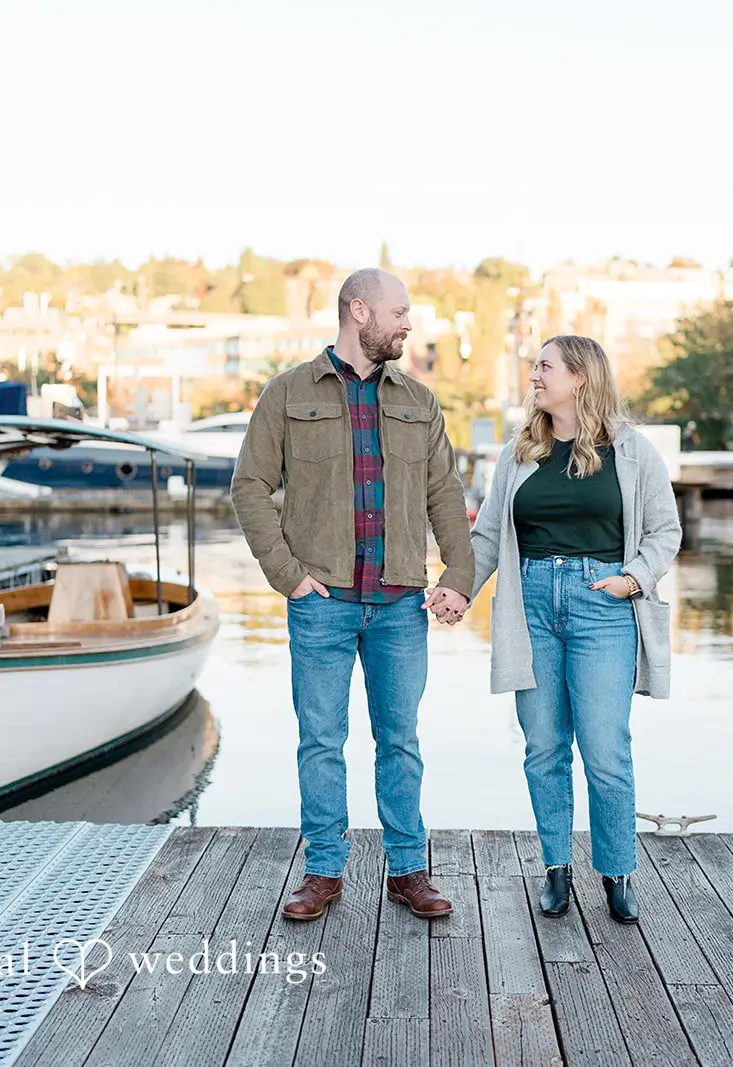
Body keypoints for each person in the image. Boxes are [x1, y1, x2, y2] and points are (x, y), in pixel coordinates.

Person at [231, 267, 473, 923]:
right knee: (321, 739)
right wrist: (288, 574)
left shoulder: (419, 401)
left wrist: (458, 574)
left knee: (400, 740)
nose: (408, 323)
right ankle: (322, 872)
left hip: (400, 603)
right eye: (399, 312)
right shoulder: (286, 394)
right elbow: (248, 487)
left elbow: (445, 496)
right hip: (321, 601)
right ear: (358, 312)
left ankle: (407, 870)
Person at [467, 335, 681, 924]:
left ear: (580, 377)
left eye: (545, 366)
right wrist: (457, 589)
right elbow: (487, 537)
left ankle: (616, 875)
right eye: (535, 365)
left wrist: (632, 579)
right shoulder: (520, 451)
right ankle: (556, 872)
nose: (533, 374)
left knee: (606, 750)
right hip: (530, 605)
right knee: (542, 747)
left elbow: (665, 531)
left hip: (602, 606)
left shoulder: (633, 452)